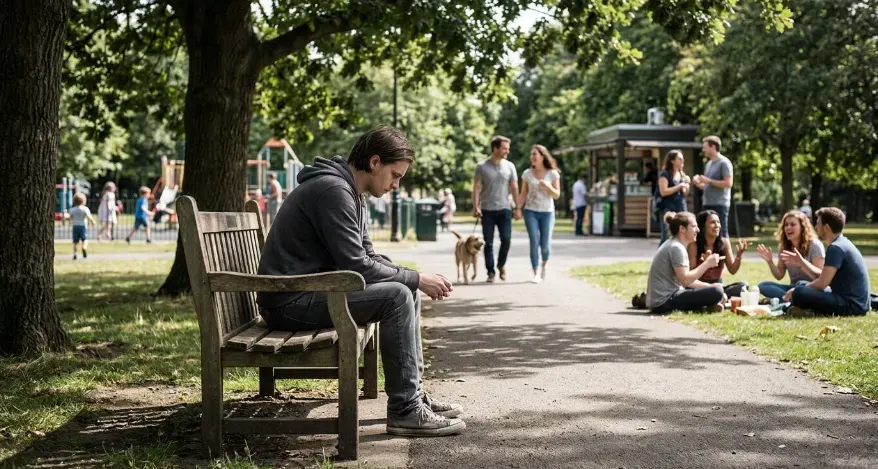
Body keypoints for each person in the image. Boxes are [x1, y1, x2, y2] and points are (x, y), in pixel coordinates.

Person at [256, 125, 465, 436]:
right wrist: (417, 277)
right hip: (287, 301)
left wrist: (412, 277)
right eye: (395, 175)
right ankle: (405, 409)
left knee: (403, 289)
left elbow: (368, 256)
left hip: (307, 293)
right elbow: (359, 268)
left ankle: (412, 398)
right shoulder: (333, 191)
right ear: (375, 162)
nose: (396, 184)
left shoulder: (351, 192)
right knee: (397, 295)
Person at [784, 207, 871, 317]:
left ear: (826, 227)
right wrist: (801, 262)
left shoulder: (836, 248)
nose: (816, 227)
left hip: (852, 305)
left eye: (818, 223)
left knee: (799, 292)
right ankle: (808, 311)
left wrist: (796, 291)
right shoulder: (842, 243)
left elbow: (821, 284)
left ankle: (805, 311)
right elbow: (822, 278)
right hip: (852, 301)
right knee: (801, 284)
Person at [646, 211, 725, 314]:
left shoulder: (675, 245)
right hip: (664, 302)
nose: (698, 230)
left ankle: (711, 305)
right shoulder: (676, 248)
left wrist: (710, 286)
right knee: (717, 292)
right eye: (693, 226)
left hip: (665, 299)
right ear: (682, 229)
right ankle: (711, 304)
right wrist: (707, 264)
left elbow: (688, 280)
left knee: (717, 289)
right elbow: (686, 281)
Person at [473, 135, 520, 283]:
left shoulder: (510, 166)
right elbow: (476, 188)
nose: (507, 151)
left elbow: (514, 188)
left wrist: (518, 207)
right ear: (495, 148)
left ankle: (501, 264)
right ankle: (491, 272)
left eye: (508, 148)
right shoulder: (482, 166)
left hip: (504, 208)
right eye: (504, 148)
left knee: (506, 239)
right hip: (487, 209)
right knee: (488, 242)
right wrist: (476, 206)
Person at [756, 210, 825, 300]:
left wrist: (801, 263)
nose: (788, 228)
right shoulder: (784, 246)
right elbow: (779, 275)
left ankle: (786, 299)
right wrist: (770, 262)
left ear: (802, 227)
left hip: (811, 288)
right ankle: (790, 299)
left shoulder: (815, 245)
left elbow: (821, 276)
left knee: (801, 283)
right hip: (792, 288)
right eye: (786, 225)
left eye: (792, 224)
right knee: (762, 286)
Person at [518, 145, 561, 283]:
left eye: (535, 154)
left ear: (542, 156)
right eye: (531, 154)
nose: (532, 157)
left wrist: (548, 186)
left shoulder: (552, 174)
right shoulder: (527, 174)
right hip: (530, 211)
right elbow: (523, 193)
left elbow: (557, 195)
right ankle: (536, 272)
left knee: (545, 245)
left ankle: (544, 264)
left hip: (547, 212)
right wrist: (518, 208)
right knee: (534, 241)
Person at [688, 210, 750, 297]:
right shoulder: (694, 245)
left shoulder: (724, 243)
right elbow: (690, 276)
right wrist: (706, 264)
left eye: (718, 222)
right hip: (699, 287)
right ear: (703, 227)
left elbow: (732, 270)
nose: (717, 225)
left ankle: (718, 296)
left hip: (718, 287)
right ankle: (717, 297)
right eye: (712, 223)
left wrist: (739, 256)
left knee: (743, 285)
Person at [693, 136, 733, 237]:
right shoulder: (709, 164)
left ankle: (726, 253)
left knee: (721, 233)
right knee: (706, 233)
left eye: (705, 147)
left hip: (720, 204)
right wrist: (699, 183)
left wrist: (708, 181)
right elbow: (707, 185)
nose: (703, 150)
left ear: (713, 147)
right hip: (707, 204)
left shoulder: (724, 163)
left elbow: (728, 183)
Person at [656, 150, 691, 245]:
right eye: (679, 159)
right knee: (667, 235)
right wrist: (679, 186)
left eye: (683, 159)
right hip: (668, 209)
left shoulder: (682, 175)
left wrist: (687, 185)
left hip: (681, 208)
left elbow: (684, 193)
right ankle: (661, 258)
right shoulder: (665, 174)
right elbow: (663, 192)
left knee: (683, 234)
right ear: (672, 160)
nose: (682, 161)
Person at [67, 193, 96, 260]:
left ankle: (75, 254)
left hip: (75, 226)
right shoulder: (85, 209)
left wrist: (66, 217)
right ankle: (84, 248)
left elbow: (69, 218)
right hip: (82, 226)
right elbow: (89, 216)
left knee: (75, 241)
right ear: (84, 201)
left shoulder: (72, 209)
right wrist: (93, 222)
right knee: (84, 239)